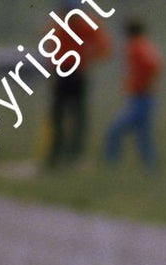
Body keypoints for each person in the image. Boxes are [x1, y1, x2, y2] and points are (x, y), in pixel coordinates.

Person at [47, 1, 112, 168]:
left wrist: (89, 57)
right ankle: (57, 152)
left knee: (78, 114)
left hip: (78, 73)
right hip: (63, 71)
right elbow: (51, 47)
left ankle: (74, 153)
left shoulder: (87, 25)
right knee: (59, 114)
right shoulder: (60, 24)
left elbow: (104, 47)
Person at [105, 17, 163, 170]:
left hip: (141, 97)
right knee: (143, 136)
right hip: (143, 97)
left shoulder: (135, 47)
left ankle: (111, 165)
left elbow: (152, 65)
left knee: (114, 131)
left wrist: (143, 83)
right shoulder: (144, 44)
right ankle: (150, 168)